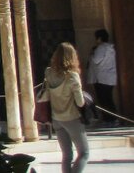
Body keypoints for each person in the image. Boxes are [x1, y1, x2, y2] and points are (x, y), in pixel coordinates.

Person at [44, 42, 89, 173]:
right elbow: (80, 102)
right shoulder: (72, 75)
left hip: (56, 118)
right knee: (84, 153)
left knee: (67, 155)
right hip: (72, 118)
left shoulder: (49, 72)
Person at [86, 28, 117, 126]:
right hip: (109, 77)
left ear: (99, 38)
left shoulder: (101, 48)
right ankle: (112, 119)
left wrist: (91, 54)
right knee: (108, 99)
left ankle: (109, 120)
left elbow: (96, 60)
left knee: (104, 100)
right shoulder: (110, 48)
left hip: (101, 78)